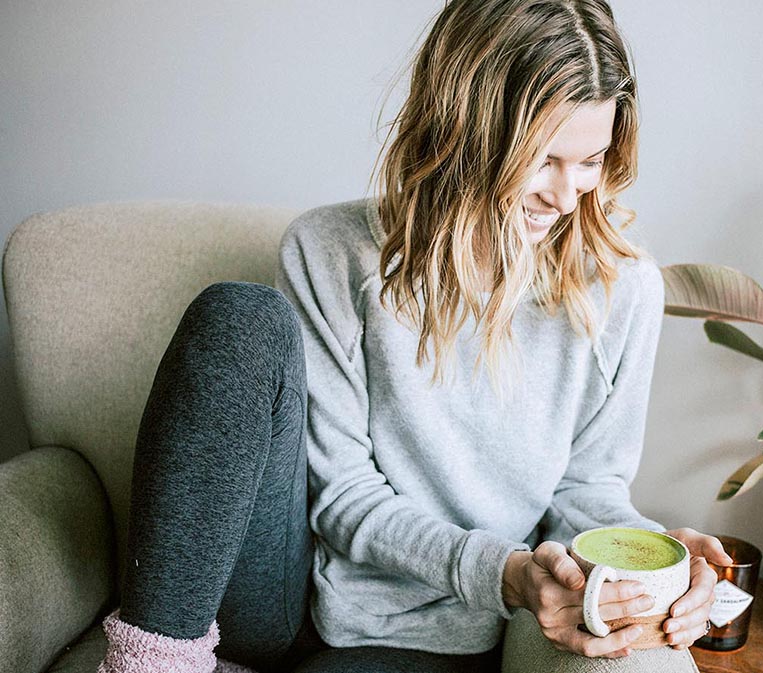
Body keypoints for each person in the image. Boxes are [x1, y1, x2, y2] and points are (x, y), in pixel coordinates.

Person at [97, 1, 730, 672]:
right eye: (542, 160)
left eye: (592, 160)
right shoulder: (331, 252)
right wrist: (503, 569)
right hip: (297, 593)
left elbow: (587, 491)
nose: (567, 194)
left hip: (464, 618)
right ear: (466, 137)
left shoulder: (623, 288)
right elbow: (341, 494)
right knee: (238, 317)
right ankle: (145, 661)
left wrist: (658, 555)